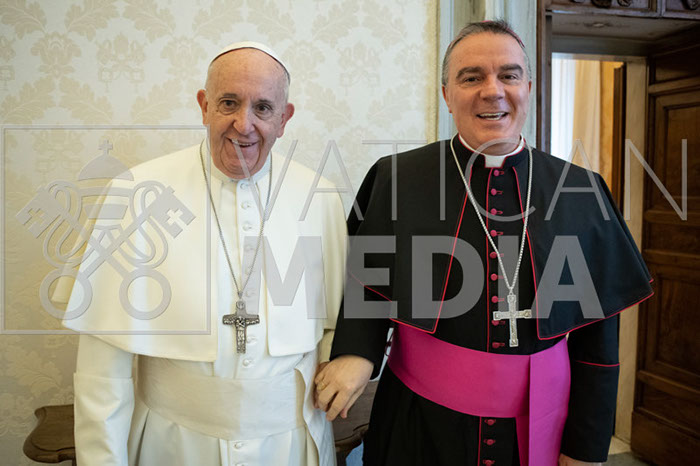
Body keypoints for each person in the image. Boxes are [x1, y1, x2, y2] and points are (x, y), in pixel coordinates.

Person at [315, 20, 653, 466]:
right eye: (471, 77)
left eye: (509, 75)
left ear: (528, 88)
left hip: (538, 427)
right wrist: (357, 352)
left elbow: (598, 340)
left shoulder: (581, 191)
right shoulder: (397, 179)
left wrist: (586, 447)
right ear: (447, 95)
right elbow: (368, 280)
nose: (492, 91)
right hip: (419, 422)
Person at [64, 42, 346, 466]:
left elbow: (337, 328)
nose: (243, 124)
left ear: (284, 119)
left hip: (291, 448)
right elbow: (101, 372)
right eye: (228, 103)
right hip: (170, 446)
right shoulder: (135, 193)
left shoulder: (320, 198)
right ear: (204, 106)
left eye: (263, 108)